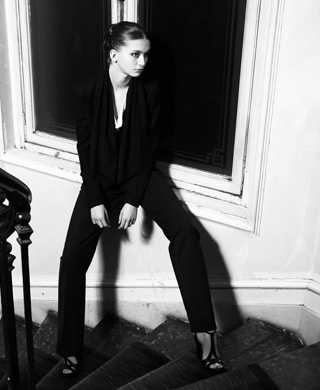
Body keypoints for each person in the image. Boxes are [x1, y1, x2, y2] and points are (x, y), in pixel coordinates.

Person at [56, 21, 224, 378]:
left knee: (186, 233)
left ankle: (205, 335)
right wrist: (95, 199)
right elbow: (85, 149)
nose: (143, 62)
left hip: (140, 174)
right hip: (101, 180)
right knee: (71, 259)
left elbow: (148, 148)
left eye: (146, 55)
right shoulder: (87, 91)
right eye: (135, 54)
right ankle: (69, 349)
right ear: (113, 55)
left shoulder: (149, 89)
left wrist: (133, 200)